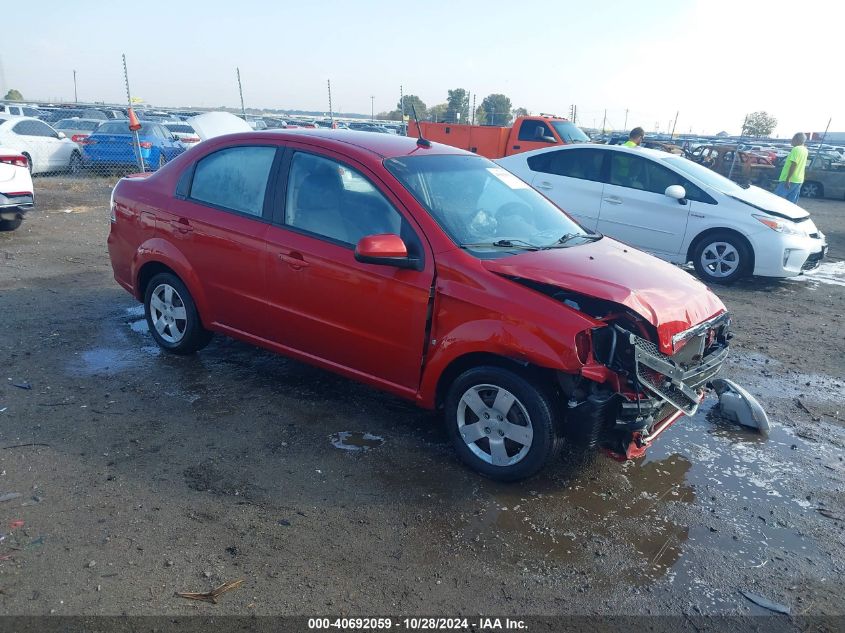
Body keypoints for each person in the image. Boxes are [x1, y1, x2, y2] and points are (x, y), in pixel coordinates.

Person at [774, 133, 809, 203]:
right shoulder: (805, 150)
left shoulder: (796, 149)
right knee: (792, 202)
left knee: (776, 199)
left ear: (796, 139)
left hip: (790, 179)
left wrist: (788, 179)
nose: (791, 140)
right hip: (799, 179)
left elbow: (794, 164)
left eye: (793, 138)